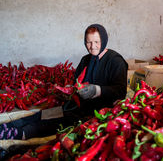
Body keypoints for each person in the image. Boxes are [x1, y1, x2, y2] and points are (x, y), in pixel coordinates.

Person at [0, 24, 128, 140]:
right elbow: (76, 82)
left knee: (52, 124)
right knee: (43, 114)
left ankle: (16, 134)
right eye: (88, 42)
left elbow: (121, 91)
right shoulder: (86, 59)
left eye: (96, 42)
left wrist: (98, 90)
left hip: (97, 113)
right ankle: (8, 126)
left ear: (104, 41)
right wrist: (68, 90)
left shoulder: (115, 61)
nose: (92, 46)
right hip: (77, 106)